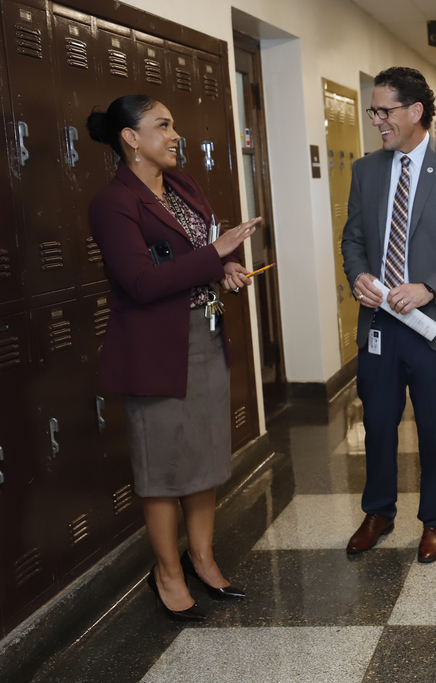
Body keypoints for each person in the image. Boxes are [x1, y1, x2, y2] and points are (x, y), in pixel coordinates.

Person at [87, 95, 259, 620]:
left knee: (204, 457)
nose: (175, 134)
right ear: (131, 138)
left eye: (173, 124)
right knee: (161, 466)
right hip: (154, 350)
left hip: (203, 336)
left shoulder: (183, 186)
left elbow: (202, 249)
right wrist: (214, 254)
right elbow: (140, 282)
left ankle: (202, 559)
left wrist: (225, 267)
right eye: (162, 125)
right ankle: (166, 572)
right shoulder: (113, 202)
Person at [341, 67, 436, 563]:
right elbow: (353, 239)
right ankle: (378, 512)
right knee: (378, 423)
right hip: (380, 324)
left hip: (434, 326)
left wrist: (429, 288)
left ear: (415, 111)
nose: (377, 121)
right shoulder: (366, 170)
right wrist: (359, 277)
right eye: (373, 112)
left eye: (384, 111)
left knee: (433, 427)